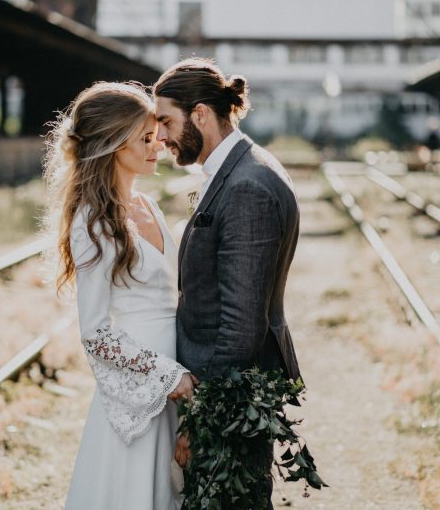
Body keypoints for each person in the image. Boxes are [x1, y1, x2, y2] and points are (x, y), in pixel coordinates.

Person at [153, 58, 302, 508]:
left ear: (200, 115)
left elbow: (240, 326)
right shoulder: (242, 168)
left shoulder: (245, 187)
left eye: (166, 121)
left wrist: (199, 421)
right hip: (226, 386)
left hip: (230, 394)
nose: (159, 137)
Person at [44, 81, 196, 509]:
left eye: (157, 135)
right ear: (113, 144)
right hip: (146, 389)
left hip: (179, 378)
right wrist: (166, 377)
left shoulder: (147, 205)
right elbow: (95, 333)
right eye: (145, 139)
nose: (159, 145)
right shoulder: (92, 223)